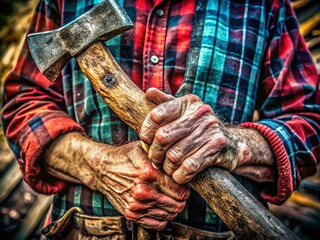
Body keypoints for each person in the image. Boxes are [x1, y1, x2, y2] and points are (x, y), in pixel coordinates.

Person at [2, 0, 319, 238]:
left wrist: (236, 145)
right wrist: (97, 165)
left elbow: (309, 121)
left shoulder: (263, 5)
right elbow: (23, 101)